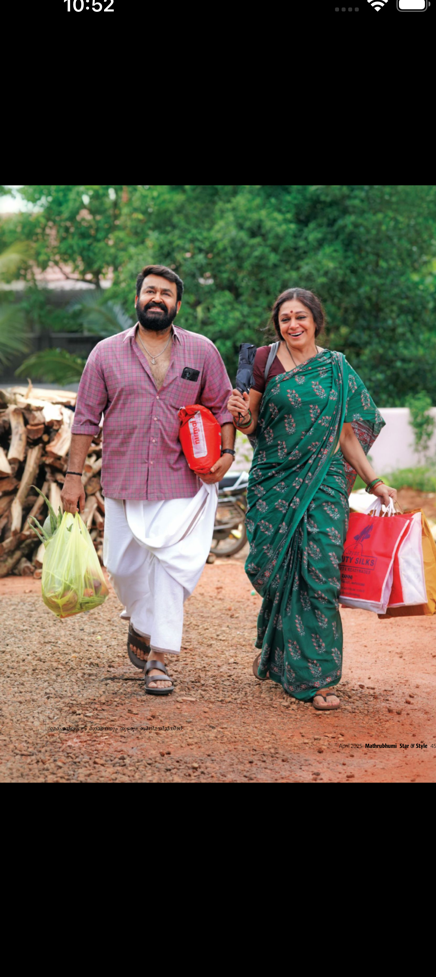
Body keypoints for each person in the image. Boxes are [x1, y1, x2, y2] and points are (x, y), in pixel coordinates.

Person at [61, 264, 235, 695]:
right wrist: (73, 477)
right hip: (123, 480)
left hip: (184, 481)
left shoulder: (202, 351)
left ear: (177, 304)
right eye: (150, 292)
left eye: (166, 294)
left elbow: (224, 409)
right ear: (137, 298)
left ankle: (158, 657)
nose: (157, 299)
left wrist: (228, 453)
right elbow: (85, 419)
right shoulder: (105, 353)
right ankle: (141, 622)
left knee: (172, 569)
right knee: (121, 565)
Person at [227, 287, 397, 710]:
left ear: (315, 320)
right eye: (285, 318)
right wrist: (241, 415)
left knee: (319, 573)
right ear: (277, 324)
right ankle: (277, 654)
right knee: (277, 573)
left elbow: (345, 432)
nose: (293, 325)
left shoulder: (336, 367)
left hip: (323, 484)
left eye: (300, 316)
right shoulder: (263, 360)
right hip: (274, 483)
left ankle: (318, 678)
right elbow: (250, 424)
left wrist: (375, 482)